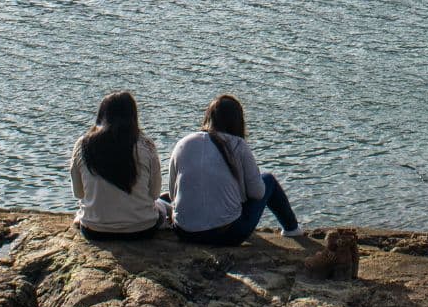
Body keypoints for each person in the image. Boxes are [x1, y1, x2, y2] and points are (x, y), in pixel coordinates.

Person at [168, 94, 302, 245]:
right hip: (226, 235)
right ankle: (292, 229)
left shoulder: (183, 143)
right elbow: (257, 193)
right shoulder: (238, 145)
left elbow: (173, 195)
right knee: (268, 180)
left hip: (184, 233)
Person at [70, 91, 169, 239]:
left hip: (94, 230)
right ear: (133, 117)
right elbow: (154, 194)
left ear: (101, 116)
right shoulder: (147, 145)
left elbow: (79, 194)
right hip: (142, 229)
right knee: (163, 204)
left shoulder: (83, 145)